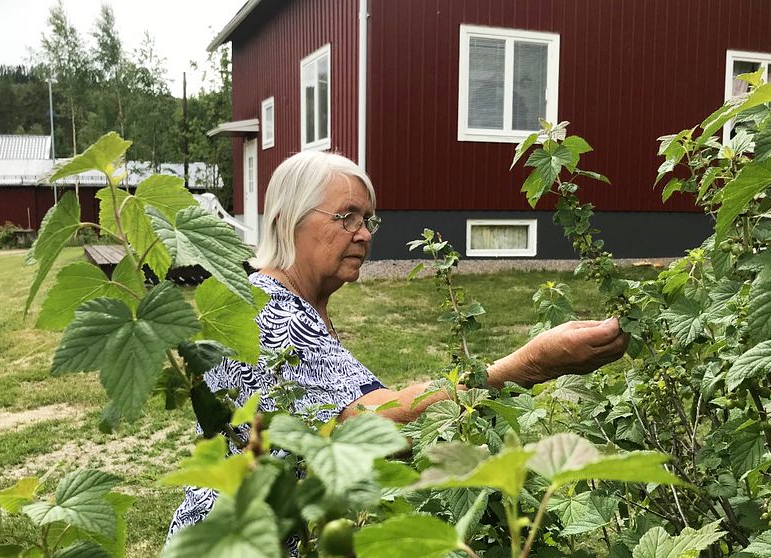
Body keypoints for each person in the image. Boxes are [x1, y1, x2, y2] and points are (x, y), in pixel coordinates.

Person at [167, 151, 628, 536]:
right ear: (289, 222)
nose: (364, 233)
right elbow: (367, 426)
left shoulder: (301, 307)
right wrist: (527, 366)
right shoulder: (271, 313)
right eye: (346, 216)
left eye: (368, 219)